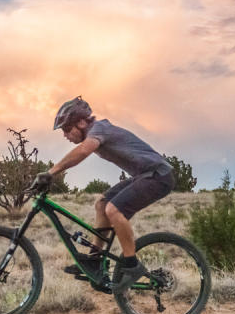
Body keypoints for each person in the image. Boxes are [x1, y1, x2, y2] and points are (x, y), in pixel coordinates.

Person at [34, 97, 174, 298]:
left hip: (158, 175)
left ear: (81, 122)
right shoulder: (96, 132)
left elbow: (83, 151)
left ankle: (132, 265)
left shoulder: (99, 128)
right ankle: (95, 260)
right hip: (144, 176)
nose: (65, 135)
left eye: (66, 129)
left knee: (113, 209)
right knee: (102, 204)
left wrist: (51, 172)